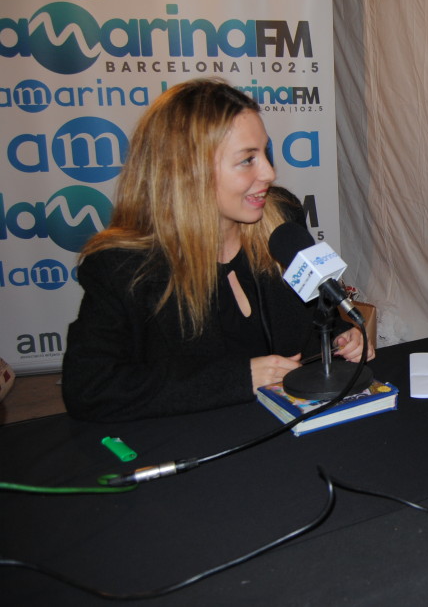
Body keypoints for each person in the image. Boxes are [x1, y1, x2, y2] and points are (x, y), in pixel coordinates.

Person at [62, 78, 374, 422]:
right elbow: (89, 388)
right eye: (247, 160)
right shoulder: (124, 266)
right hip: (195, 436)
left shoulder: (282, 218)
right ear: (187, 171)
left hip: (295, 424)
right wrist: (239, 379)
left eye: (265, 153)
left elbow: (312, 322)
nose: (269, 172)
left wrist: (337, 339)